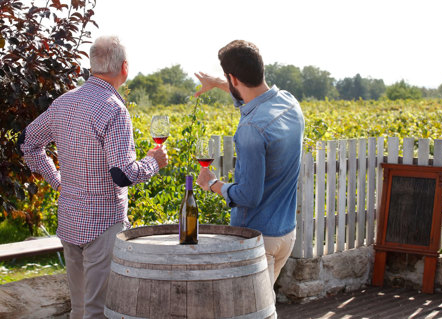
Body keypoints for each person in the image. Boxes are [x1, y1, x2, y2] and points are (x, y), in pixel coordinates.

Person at [19, 36, 168, 319]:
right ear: (124, 68)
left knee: (79, 309)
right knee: (99, 312)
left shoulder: (63, 103)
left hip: (70, 219)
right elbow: (122, 174)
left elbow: (27, 142)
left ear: (92, 65)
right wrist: (153, 162)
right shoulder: (114, 109)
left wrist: (57, 181)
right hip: (103, 224)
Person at [195, 40, 305, 290]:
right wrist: (218, 82)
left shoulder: (250, 129)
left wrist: (212, 184)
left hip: (257, 239)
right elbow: (253, 98)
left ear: (234, 78)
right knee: (265, 308)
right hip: (285, 235)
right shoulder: (290, 103)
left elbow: (249, 195)